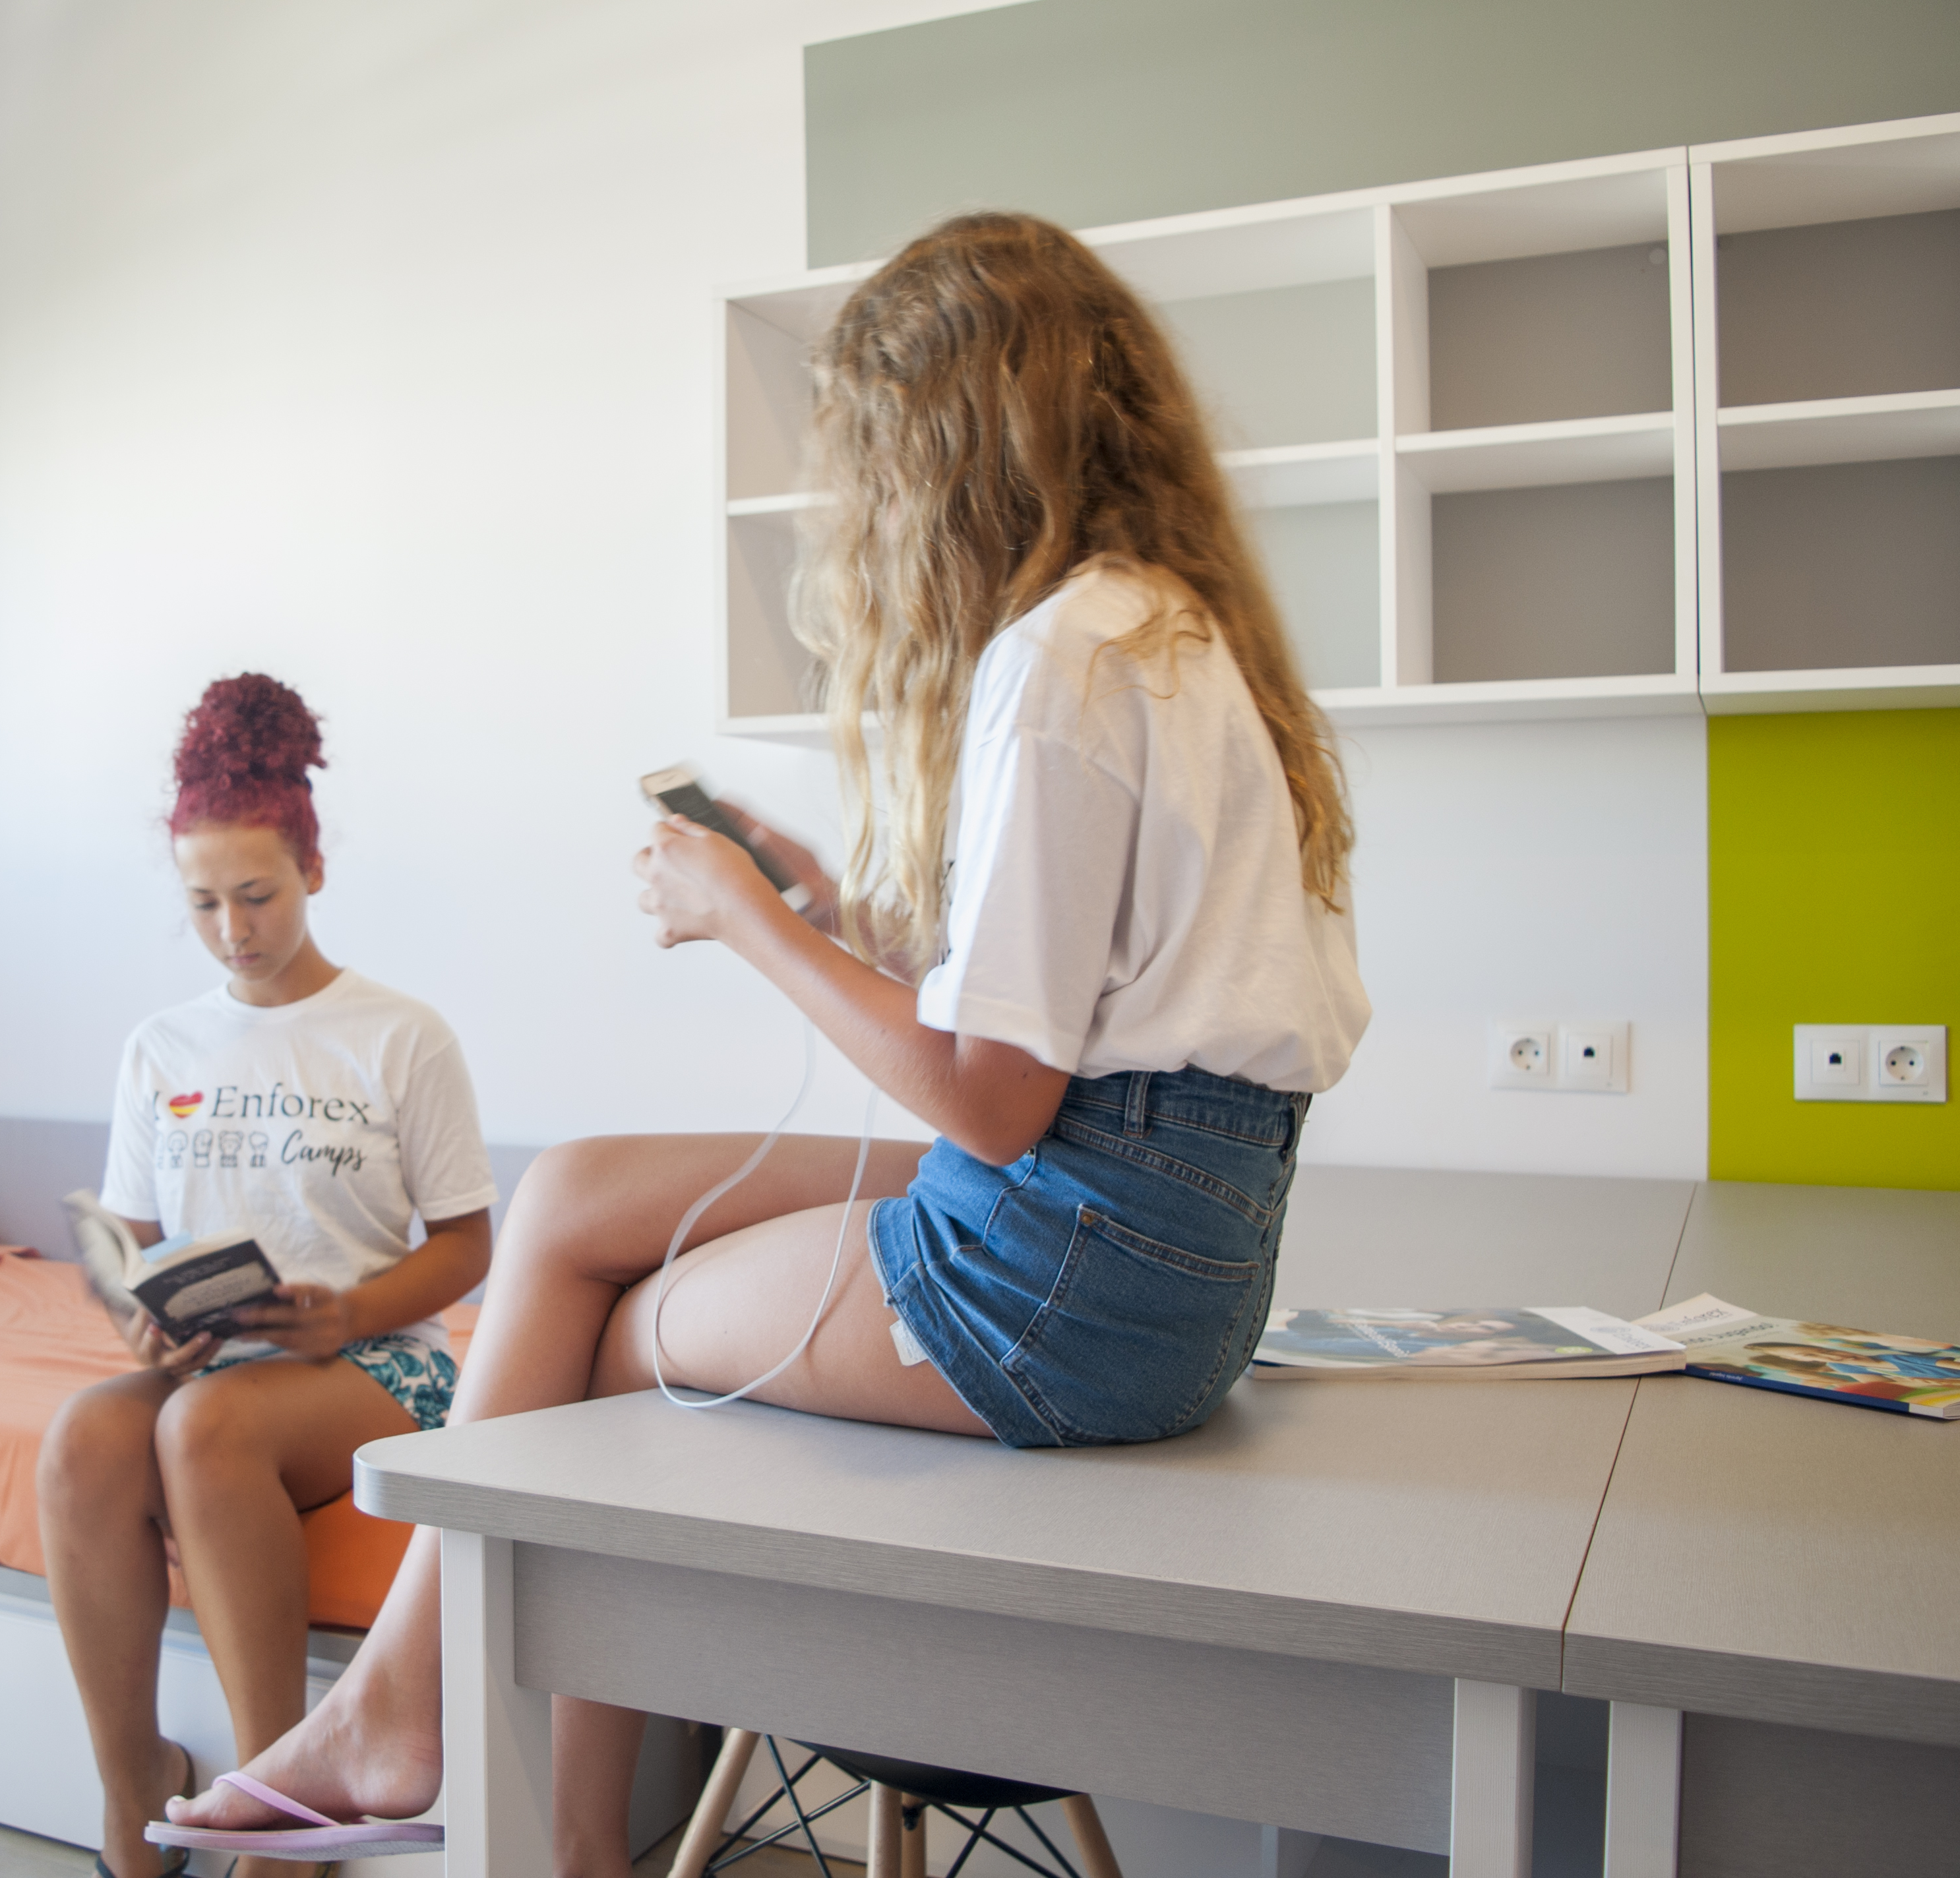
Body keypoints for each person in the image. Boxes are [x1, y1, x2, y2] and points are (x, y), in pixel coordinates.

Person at [153, 210, 1373, 1878]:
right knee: (573, 1198)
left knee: (592, 1337)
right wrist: (842, 914)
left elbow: (994, 1107)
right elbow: (1091, 1017)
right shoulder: (1162, 633)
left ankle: (439, 1752)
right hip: (1176, 1244)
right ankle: (438, 1745)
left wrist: (748, 919)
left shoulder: (1055, 662)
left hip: (1065, 1263)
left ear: (946, 447)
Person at [38, 673, 499, 1878]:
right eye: (203, 903)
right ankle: (130, 1778)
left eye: (258, 894)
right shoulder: (162, 1046)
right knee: (85, 1438)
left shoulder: (400, 1036)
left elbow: (468, 1248)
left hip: (376, 1360)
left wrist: (344, 1312)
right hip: (225, 1356)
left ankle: (277, 1813)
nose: (233, 928)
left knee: (205, 1433)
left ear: (313, 870)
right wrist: (140, 1318)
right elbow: (127, 1246)